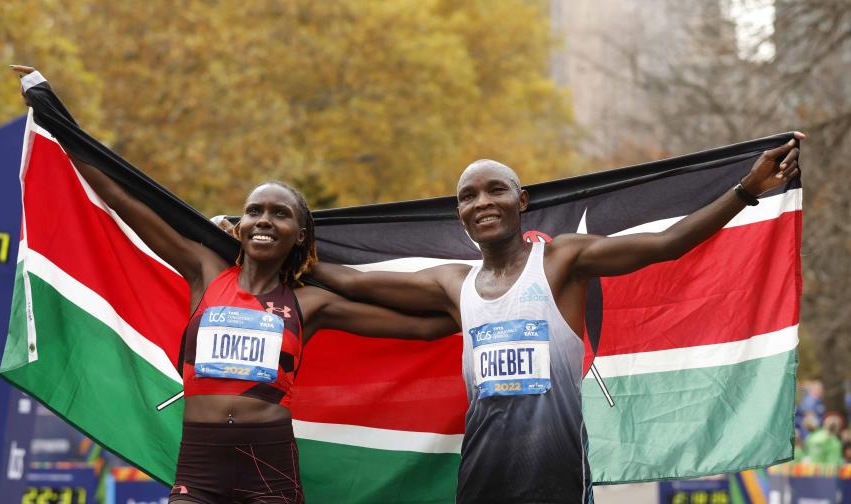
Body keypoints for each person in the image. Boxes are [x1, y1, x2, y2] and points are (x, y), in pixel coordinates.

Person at [12, 66, 458, 504]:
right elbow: (122, 198)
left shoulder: (310, 303)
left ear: (300, 234)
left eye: (280, 214)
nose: (264, 219)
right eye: (255, 211)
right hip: (198, 464)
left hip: (268, 465)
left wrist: (482, 303)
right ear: (239, 224)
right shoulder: (203, 270)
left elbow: (424, 328)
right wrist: (54, 117)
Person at [312, 137, 804, 503]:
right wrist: (285, 258)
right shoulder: (451, 284)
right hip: (482, 477)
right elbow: (355, 283)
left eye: (495, 190)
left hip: (558, 476)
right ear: (459, 214)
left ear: (521, 201)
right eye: (468, 196)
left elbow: (665, 245)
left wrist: (746, 189)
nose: (482, 202)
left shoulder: (560, 262)